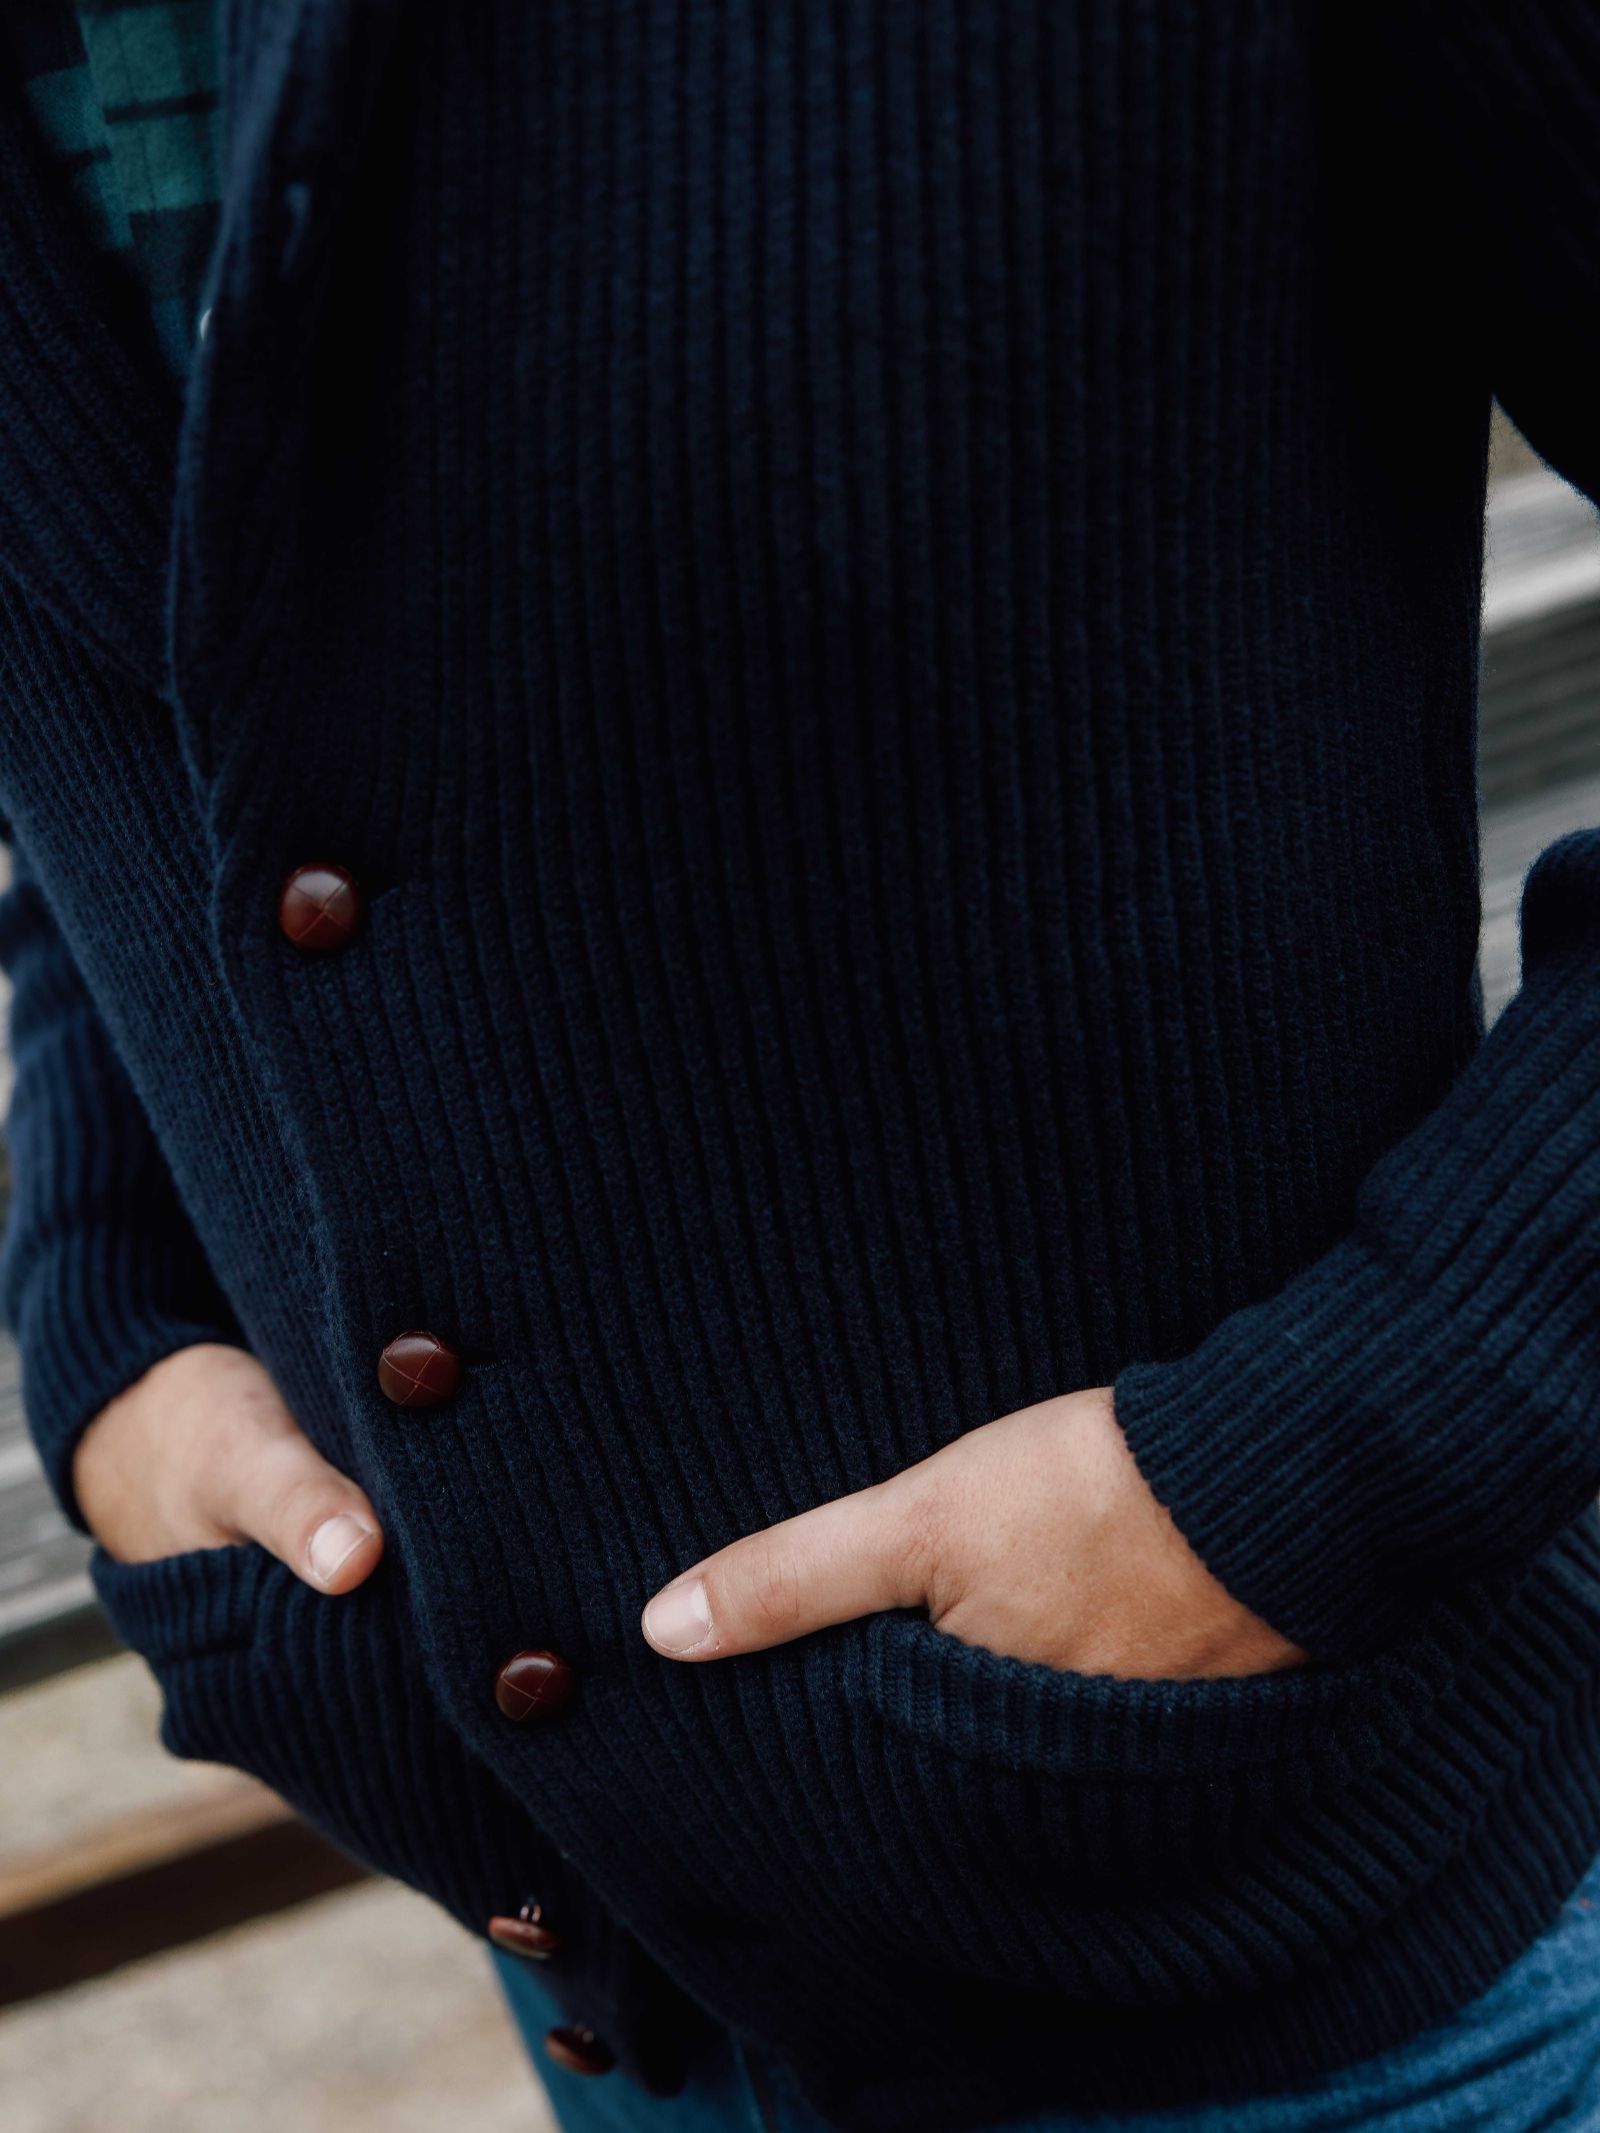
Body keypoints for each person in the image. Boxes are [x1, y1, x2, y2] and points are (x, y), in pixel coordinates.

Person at [3, 3, 1600, 2129]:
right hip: (605, 1971)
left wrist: (1360, 1431)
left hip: (1321, 1950)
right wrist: (106, 1294)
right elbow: (165, 698)